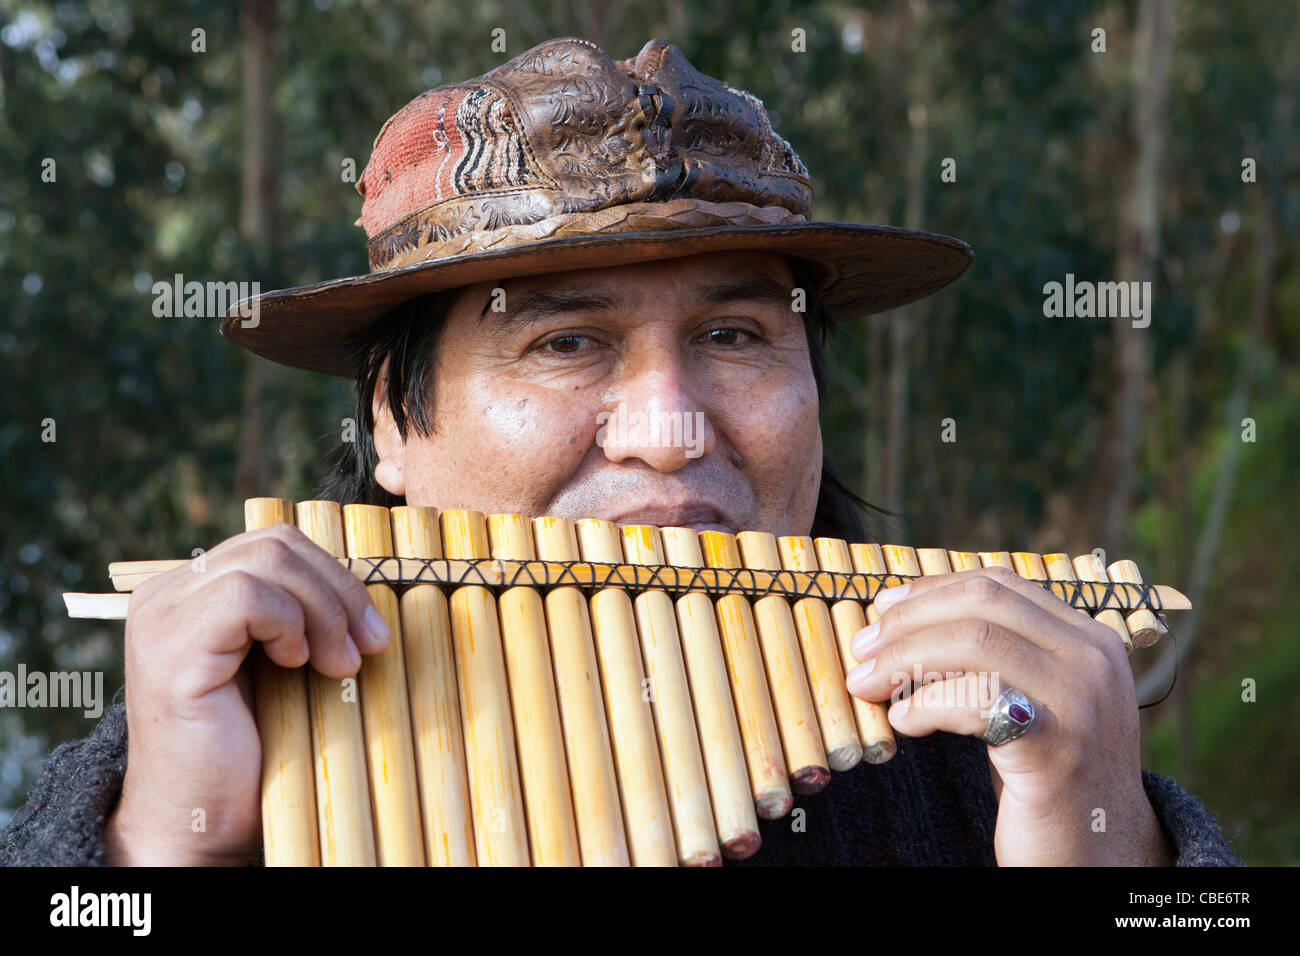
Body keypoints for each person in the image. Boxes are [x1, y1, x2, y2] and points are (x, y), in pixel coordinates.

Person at [2, 36, 1241, 867]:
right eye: (565, 344)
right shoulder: (199, 760)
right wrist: (151, 849)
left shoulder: (1006, 765)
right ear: (391, 421)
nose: (671, 428)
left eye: (736, 332)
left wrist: (1122, 857)